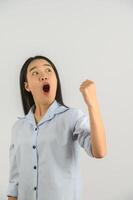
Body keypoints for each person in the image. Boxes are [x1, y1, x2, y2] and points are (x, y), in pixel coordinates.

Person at [7, 55, 107, 200]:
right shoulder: (18, 127)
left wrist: (93, 104)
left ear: (56, 80)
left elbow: (99, 151)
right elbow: (14, 181)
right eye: (35, 73)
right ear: (27, 86)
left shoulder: (72, 117)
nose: (43, 76)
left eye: (48, 70)